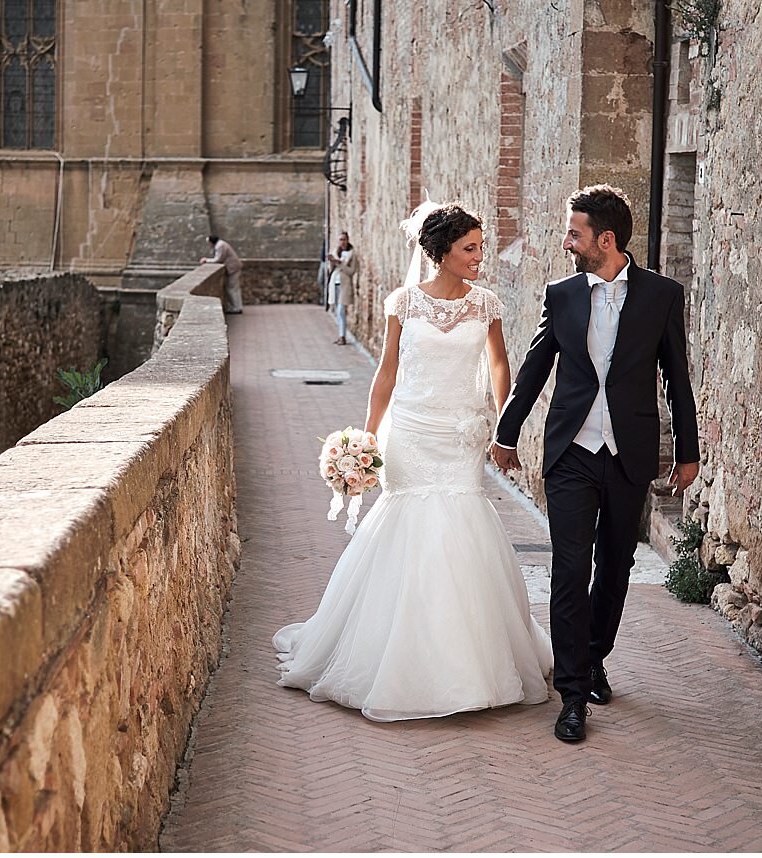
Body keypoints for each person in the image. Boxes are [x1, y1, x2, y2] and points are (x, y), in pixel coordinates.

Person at [274, 202, 553, 722]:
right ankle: (397, 658)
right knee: (409, 527)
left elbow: (499, 366)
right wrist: (368, 435)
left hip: (460, 435)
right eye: (469, 248)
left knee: (461, 526)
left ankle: (468, 663)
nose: (479, 256)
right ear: (441, 252)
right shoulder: (403, 301)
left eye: (481, 246)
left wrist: (500, 425)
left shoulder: (486, 303)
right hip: (412, 434)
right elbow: (386, 372)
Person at [490, 184, 700, 743]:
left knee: (615, 567)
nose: (567, 243)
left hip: (628, 452)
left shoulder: (661, 296)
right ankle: (572, 693)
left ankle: (594, 655)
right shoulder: (561, 295)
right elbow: (535, 368)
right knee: (568, 567)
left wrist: (687, 449)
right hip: (571, 453)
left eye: (574, 234)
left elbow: (677, 378)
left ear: (605, 240)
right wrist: (506, 434)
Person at [326, 231, 358, 345]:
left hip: (345, 285)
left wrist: (340, 264)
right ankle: (340, 335)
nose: (342, 242)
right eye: (340, 240)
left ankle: (342, 336)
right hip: (334, 283)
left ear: (347, 240)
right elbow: (331, 270)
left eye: (344, 239)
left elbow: (352, 271)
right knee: (337, 311)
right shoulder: (336, 252)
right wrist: (332, 262)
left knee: (341, 311)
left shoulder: (352, 254)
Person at [201, 234, 243, 314]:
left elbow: (218, 259)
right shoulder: (221, 244)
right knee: (235, 289)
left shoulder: (220, 246)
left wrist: (206, 260)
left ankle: (236, 308)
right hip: (234, 267)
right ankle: (237, 306)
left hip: (233, 268)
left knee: (232, 289)